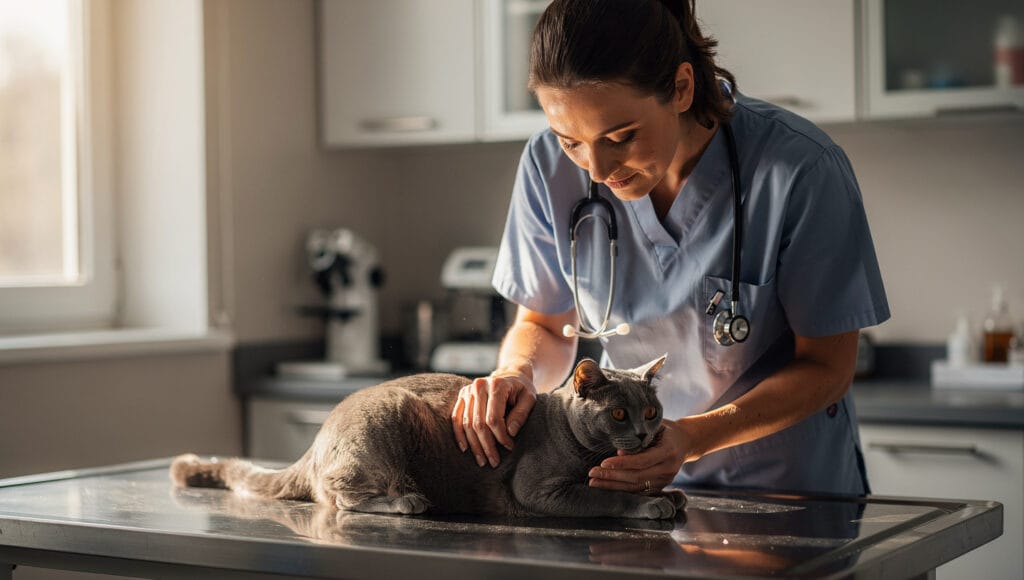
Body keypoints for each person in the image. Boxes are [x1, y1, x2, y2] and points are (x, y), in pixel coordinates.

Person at [451, 0, 889, 496]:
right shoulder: (547, 167)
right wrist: (518, 373)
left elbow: (828, 368)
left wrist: (691, 437)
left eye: (620, 136)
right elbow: (545, 327)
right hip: (637, 489)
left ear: (681, 88)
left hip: (786, 493)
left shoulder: (800, 169)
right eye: (570, 140)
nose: (595, 169)